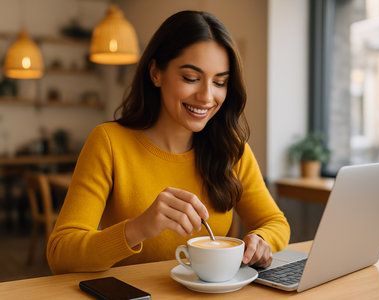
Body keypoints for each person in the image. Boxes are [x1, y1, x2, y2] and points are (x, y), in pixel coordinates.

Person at [47, 10, 290, 274]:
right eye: (191, 78)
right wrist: (138, 228)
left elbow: (275, 222)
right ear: (155, 73)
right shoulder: (109, 142)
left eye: (220, 82)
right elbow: (60, 253)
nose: (207, 96)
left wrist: (262, 241)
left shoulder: (231, 149)